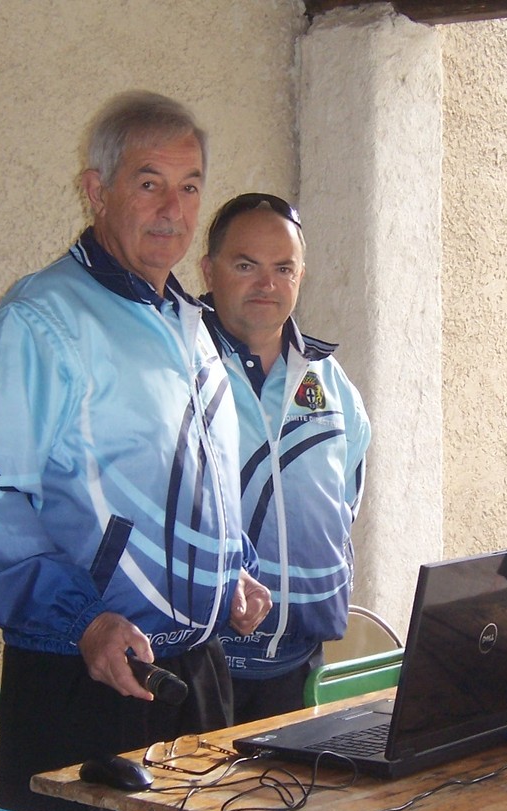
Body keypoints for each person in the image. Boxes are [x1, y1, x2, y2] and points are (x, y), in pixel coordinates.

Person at [0, 91, 271, 811]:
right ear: (96, 191)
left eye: (189, 188)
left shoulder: (190, 325)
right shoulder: (39, 322)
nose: (173, 210)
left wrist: (235, 568)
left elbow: (193, 482)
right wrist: (83, 621)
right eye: (149, 182)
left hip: (198, 679)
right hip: (85, 685)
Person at [198, 193, 371, 724]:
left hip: (300, 664)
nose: (266, 284)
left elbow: (346, 497)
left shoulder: (329, 380)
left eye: (283, 268)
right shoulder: (181, 368)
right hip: (205, 663)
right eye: (246, 265)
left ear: (300, 276)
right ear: (209, 270)